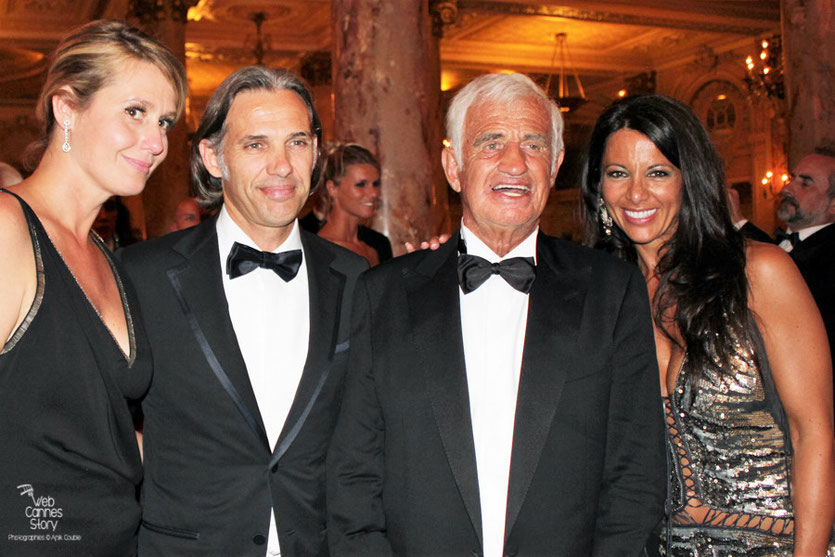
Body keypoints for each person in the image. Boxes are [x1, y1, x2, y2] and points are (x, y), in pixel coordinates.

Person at [327, 73, 666, 556]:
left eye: (533, 145)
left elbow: (635, 476)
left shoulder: (611, 291)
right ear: (453, 166)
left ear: (555, 166)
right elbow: (353, 477)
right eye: (491, 143)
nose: (516, 163)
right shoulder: (384, 295)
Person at [119, 66, 367, 556]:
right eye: (256, 144)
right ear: (213, 157)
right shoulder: (141, 275)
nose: (281, 166)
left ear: (316, 153)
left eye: (296, 143)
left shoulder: (358, 279)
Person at [581, 94, 835, 555]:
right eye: (618, 173)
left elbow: (812, 432)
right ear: (599, 188)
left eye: (658, 172)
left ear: (688, 180)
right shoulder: (603, 297)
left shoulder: (759, 272)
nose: (636, 194)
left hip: (775, 546)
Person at [0, 19, 186, 556]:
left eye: (165, 121)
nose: (155, 142)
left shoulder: (108, 259)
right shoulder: (10, 230)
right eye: (135, 112)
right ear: (67, 108)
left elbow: (101, 434)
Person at [776, 148, 835, 402]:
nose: (788, 188)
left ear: (833, 204)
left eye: (805, 183)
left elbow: (790, 283)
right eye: (792, 177)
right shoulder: (779, 244)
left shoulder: (827, 255)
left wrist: (740, 225)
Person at [315, 143, 392, 265]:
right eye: (361, 185)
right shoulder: (317, 250)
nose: (373, 194)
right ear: (332, 188)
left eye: (376, 184)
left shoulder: (377, 247)